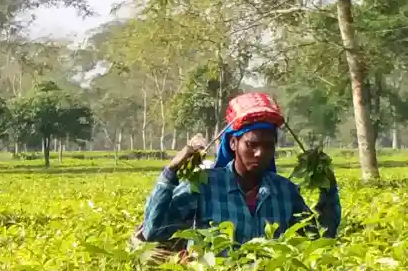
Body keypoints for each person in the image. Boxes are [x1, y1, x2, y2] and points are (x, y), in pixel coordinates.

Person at [139, 92, 340, 248]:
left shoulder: (285, 192)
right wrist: (171, 172)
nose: (260, 153)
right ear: (234, 143)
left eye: (268, 145)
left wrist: (328, 189)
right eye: (252, 145)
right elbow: (155, 232)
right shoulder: (204, 185)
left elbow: (318, 239)